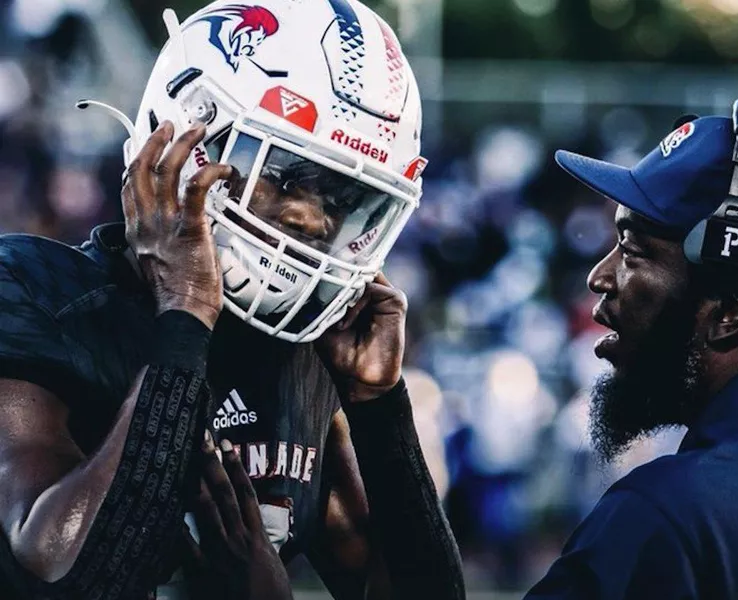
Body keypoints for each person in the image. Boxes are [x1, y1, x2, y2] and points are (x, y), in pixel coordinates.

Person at [0, 1, 464, 598]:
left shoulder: (301, 355)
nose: (315, 218)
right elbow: (66, 580)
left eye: (342, 196)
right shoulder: (36, 291)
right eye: (288, 175)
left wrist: (381, 410)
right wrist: (187, 312)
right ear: (186, 139)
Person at [523, 100, 738, 599]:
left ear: (729, 312)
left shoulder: (667, 518)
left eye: (632, 250)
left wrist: (383, 425)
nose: (599, 276)